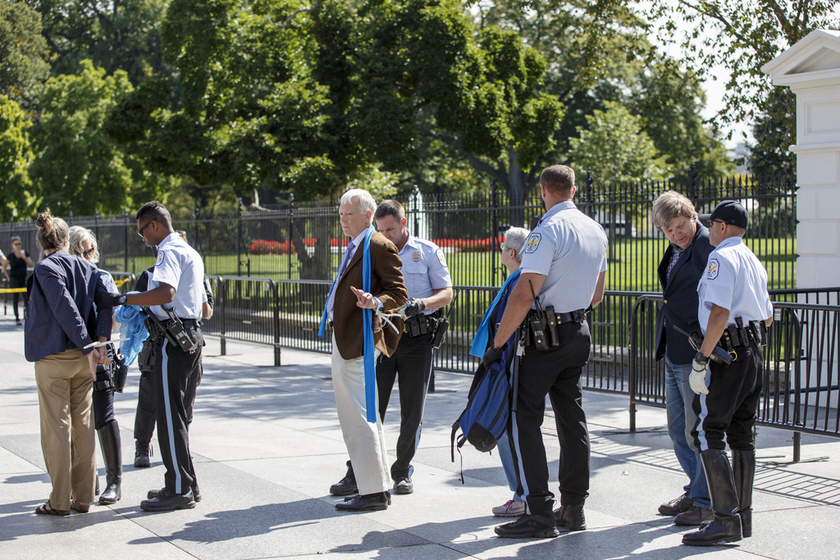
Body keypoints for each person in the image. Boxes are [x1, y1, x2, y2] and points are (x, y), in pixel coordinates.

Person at [490, 164, 608, 539]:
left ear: (544, 191)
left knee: (525, 418)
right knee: (572, 420)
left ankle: (538, 510)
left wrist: (498, 344)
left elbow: (525, 292)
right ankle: (573, 508)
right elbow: (597, 295)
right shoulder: (595, 230)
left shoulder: (547, 231)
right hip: (578, 331)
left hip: (545, 338)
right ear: (573, 190)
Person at [329, 200, 452, 497]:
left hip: (416, 337)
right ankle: (358, 472)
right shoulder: (373, 248)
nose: (386, 234)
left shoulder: (426, 251)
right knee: (371, 407)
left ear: (404, 222)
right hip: (382, 337)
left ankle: (401, 471)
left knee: (412, 409)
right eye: (381, 229)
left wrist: (421, 304)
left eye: (391, 229)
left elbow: (447, 292)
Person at [97, 201, 206, 512]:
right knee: (177, 418)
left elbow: (165, 294)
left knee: (170, 419)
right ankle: (185, 482)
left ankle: (179, 488)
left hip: (174, 340)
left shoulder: (168, 252)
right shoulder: (188, 250)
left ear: (155, 225)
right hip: (187, 336)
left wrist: (122, 297)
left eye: (142, 230)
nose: (142, 237)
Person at [682, 200, 773, 546]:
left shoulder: (721, 257)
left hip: (728, 353)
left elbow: (719, 312)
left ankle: (724, 520)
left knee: (709, 429)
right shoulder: (752, 258)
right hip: (753, 348)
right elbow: (767, 314)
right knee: (742, 433)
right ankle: (742, 518)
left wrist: (702, 359)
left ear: (720, 226)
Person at [318, 189, 407, 511]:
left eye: (349, 214)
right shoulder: (357, 244)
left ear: (368, 216)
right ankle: (375, 486)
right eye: (341, 214)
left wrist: (377, 302)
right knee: (360, 418)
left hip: (358, 343)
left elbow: (399, 292)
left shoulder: (377, 244)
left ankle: (372, 493)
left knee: (360, 419)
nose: (343, 219)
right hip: (347, 339)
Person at [25, 209, 112, 515]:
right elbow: (105, 304)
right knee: (84, 426)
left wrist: (90, 345)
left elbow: (63, 306)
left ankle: (59, 501)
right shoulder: (87, 268)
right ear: (65, 240)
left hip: (55, 357)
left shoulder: (46, 268)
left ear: (42, 242)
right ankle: (84, 497)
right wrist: (97, 343)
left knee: (56, 428)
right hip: (83, 360)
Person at [651, 191, 714, 525]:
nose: (677, 234)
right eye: (669, 230)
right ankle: (695, 489)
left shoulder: (705, 247)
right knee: (678, 429)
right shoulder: (678, 248)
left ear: (693, 215)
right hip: (674, 348)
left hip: (697, 352)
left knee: (697, 428)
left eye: (680, 226)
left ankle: (706, 498)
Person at [133, 233, 212, 471]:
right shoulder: (150, 276)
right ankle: (143, 446)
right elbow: (137, 309)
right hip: (157, 341)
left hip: (185, 341)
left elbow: (206, 310)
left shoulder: (195, 274)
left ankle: (181, 456)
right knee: (149, 398)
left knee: (184, 401)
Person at [468, 226, 531, 517]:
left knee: (509, 429)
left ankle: (522, 495)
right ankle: (522, 494)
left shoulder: (519, 279)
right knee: (508, 429)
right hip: (505, 364)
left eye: (504, 246)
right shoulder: (517, 278)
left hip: (507, 366)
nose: (501, 250)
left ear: (512, 252)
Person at [67, 226, 123, 505]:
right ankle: (89, 481)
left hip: (100, 352)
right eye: (82, 251)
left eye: (91, 249)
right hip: (73, 355)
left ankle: (114, 480)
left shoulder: (103, 277)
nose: (89, 255)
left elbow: (115, 321)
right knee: (77, 422)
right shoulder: (66, 278)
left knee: (103, 414)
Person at [5, 235, 34, 325]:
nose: (18, 246)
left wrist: (24, 257)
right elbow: (4, 266)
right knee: (15, 299)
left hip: (23, 279)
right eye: (16, 244)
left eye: (19, 244)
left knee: (27, 299)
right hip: (14, 279)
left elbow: (30, 264)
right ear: (12, 245)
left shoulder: (24, 253)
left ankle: (27, 316)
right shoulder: (11, 256)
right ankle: (17, 318)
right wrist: (8, 277)